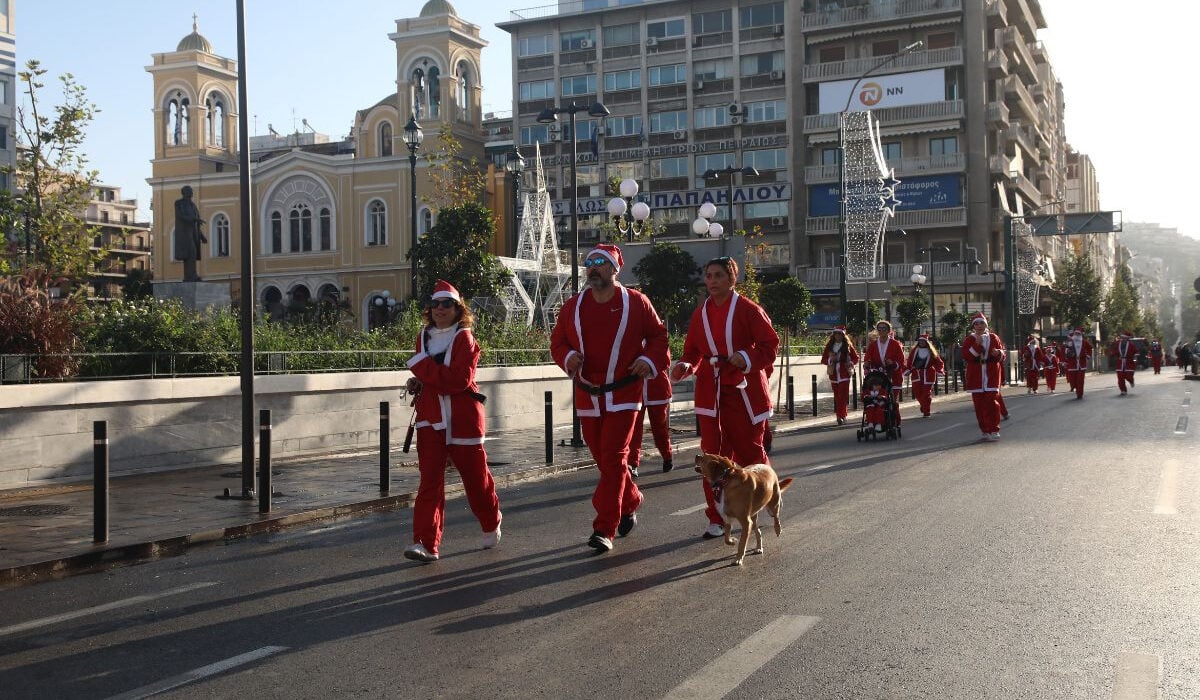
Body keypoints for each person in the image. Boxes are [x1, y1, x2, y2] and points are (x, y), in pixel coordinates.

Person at [551, 244, 668, 553]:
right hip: (588, 394)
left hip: (625, 393)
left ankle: (605, 528)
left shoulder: (636, 303)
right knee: (603, 460)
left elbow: (659, 337)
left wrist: (649, 360)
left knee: (615, 456)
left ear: (615, 269)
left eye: (601, 263)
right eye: (589, 263)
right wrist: (568, 357)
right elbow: (558, 342)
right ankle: (631, 498)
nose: (594, 268)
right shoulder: (573, 306)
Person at [671, 256, 779, 540]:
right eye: (708, 276)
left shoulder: (749, 309)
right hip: (711, 389)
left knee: (750, 452)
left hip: (742, 390)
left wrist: (744, 357)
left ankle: (762, 499)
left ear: (732, 278)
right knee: (712, 458)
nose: (712, 281)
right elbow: (692, 351)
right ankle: (717, 516)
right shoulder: (700, 314)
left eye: (718, 275)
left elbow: (770, 345)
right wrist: (686, 366)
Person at [402, 280, 502, 563]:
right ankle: (426, 543)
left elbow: (459, 381)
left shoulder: (465, 339)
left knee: (476, 479)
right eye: (435, 304)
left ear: (458, 309)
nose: (440, 309)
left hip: (462, 419)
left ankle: (491, 518)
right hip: (430, 417)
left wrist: (421, 367)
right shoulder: (422, 338)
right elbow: (435, 377)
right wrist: (417, 379)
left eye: (447, 304)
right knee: (429, 482)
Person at [961, 311, 1005, 441]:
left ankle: (994, 428)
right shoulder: (969, 339)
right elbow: (967, 356)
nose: (979, 326)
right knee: (979, 405)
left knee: (992, 401)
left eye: (982, 323)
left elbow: (1002, 354)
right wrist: (977, 344)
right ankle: (985, 430)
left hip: (992, 373)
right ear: (973, 326)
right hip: (976, 375)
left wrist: (998, 353)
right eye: (976, 324)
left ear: (985, 325)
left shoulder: (993, 337)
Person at [629, 362, 674, 477]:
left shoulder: (657, 344)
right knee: (633, 429)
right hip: (635, 390)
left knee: (659, 427)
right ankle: (632, 463)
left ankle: (667, 457)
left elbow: (663, 359)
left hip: (657, 388)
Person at [863, 320, 906, 424]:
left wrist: (893, 363)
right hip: (878, 378)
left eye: (884, 329)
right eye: (880, 328)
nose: (881, 330)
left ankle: (895, 420)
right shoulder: (873, 345)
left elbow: (901, 360)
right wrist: (867, 364)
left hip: (893, 375)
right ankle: (876, 418)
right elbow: (868, 358)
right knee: (877, 399)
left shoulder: (895, 344)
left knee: (892, 400)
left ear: (888, 330)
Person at [821, 326, 859, 425]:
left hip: (844, 374)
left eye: (840, 334)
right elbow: (823, 360)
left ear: (843, 335)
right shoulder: (829, 347)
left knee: (842, 395)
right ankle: (843, 415)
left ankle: (840, 416)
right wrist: (830, 360)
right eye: (836, 334)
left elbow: (856, 358)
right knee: (837, 397)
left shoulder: (847, 346)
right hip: (833, 374)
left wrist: (850, 362)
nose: (838, 336)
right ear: (833, 335)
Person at [173, 185, 208, 282]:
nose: (192, 193)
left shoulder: (193, 206)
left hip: (193, 233)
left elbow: (196, 223)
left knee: (192, 254)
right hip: (184, 234)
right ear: (184, 192)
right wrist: (194, 219)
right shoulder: (179, 203)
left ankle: (191, 275)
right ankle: (190, 276)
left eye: (192, 191)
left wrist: (202, 236)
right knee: (190, 254)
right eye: (190, 191)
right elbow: (181, 216)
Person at [905, 333, 944, 417]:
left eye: (923, 341)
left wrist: (939, 370)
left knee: (926, 394)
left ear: (926, 342)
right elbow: (909, 362)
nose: (921, 342)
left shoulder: (932, 351)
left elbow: (939, 362)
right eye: (920, 341)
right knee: (917, 393)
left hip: (928, 374)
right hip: (916, 374)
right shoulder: (914, 351)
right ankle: (923, 405)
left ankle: (926, 411)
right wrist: (907, 370)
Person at [1062, 327, 1093, 400]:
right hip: (1072, 363)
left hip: (1081, 363)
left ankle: (1080, 394)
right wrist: (1064, 361)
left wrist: (1088, 356)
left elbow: (1090, 348)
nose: (1077, 335)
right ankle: (1074, 387)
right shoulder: (1070, 341)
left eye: (1079, 334)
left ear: (1081, 334)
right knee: (1072, 379)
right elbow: (1064, 351)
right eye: (1076, 333)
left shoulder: (1084, 342)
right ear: (1074, 333)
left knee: (1080, 380)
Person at [1110, 330, 1139, 396]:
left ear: (1127, 338)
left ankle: (1131, 381)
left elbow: (1136, 352)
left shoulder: (1131, 345)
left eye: (1125, 338)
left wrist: (1135, 357)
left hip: (1128, 362)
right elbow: (1114, 351)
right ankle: (1123, 390)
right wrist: (1113, 354)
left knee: (1128, 375)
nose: (1123, 339)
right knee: (1120, 378)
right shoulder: (1117, 344)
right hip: (1120, 362)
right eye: (1122, 338)